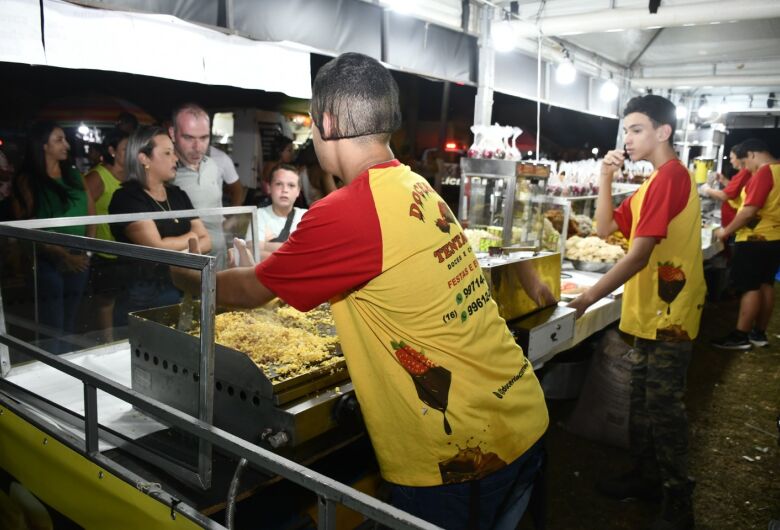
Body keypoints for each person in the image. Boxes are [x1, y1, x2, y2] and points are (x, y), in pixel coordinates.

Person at [179, 52, 549, 529]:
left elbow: (252, 291)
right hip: (519, 412)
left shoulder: (350, 208)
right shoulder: (416, 185)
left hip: (464, 452)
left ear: (326, 122)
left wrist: (190, 276)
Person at [568, 95, 705, 530]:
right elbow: (607, 229)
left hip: (670, 314)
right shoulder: (651, 183)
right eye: (625, 130)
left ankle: (679, 502)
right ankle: (646, 479)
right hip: (650, 312)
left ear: (662, 132)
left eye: (636, 129)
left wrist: (590, 297)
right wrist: (605, 177)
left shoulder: (670, 178)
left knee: (663, 410)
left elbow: (639, 255)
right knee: (642, 405)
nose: (627, 138)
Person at [109, 126, 210, 326]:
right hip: (143, 294)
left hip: (183, 287)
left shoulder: (177, 194)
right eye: (167, 153)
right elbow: (157, 248)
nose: (176, 159)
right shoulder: (127, 198)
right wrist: (191, 240)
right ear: (143, 158)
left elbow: (207, 240)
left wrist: (171, 243)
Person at [13, 122, 97, 350]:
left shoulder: (74, 175)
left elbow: (91, 214)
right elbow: (28, 226)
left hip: (79, 257)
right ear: (43, 145)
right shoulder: (28, 180)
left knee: (71, 320)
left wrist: (87, 251)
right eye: (59, 140)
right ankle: (52, 367)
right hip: (47, 260)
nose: (67, 145)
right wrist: (61, 254)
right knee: (52, 323)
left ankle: (68, 368)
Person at [712, 138, 780, 350]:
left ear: (752, 154)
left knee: (749, 287)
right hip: (774, 238)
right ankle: (758, 333)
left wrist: (725, 231)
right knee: (766, 284)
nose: (745, 168)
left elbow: (749, 210)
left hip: (754, 239)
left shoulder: (764, 173)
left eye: (744, 162)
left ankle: (740, 335)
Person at [169, 103, 241, 268]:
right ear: (173, 134)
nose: (197, 147)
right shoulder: (166, 172)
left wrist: (229, 221)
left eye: (204, 138)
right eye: (188, 137)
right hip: (186, 263)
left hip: (219, 257)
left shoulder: (212, 164)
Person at [84, 129, 130, 341]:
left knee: (123, 300)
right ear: (112, 150)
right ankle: (107, 343)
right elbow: (84, 210)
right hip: (104, 251)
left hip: (126, 250)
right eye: (124, 148)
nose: (130, 152)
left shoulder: (132, 177)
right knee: (105, 302)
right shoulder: (97, 176)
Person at [246, 163, 306, 261]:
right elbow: (252, 251)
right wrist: (296, 252)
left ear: (298, 191)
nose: (285, 190)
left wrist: (265, 245)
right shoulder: (259, 215)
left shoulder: (306, 216)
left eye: (291, 185)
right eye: (279, 184)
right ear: (269, 188)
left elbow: (312, 251)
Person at [700, 144, 752, 229]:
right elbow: (736, 189)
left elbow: (724, 196)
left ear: (739, 158)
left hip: (734, 224)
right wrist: (723, 180)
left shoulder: (744, 173)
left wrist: (706, 189)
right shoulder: (743, 174)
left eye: (732, 158)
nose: (730, 161)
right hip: (732, 222)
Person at [294, 138, 339, 206]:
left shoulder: (302, 170)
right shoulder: (322, 172)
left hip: (308, 209)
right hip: (322, 211)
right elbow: (335, 199)